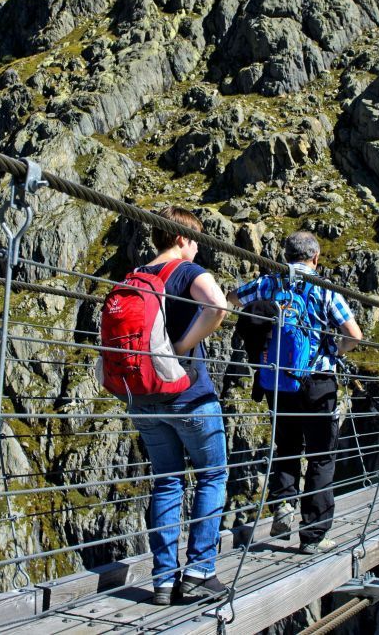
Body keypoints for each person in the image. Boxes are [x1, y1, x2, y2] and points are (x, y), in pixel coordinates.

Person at [227, 231, 362, 555]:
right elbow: (353, 334)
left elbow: (232, 298)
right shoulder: (325, 289)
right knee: (320, 456)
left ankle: (284, 507)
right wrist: (336, 352)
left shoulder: (269, 282)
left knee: (286, 445)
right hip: (318, 381)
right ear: (315, 258)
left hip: (277, 381)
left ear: (285, 255)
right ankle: (313, 535)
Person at [126, 207, 230, 605]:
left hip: (144, 399)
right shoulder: (186, 272)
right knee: (212, 476)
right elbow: (218, 307)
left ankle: (164, 581)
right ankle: (201, 571)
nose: (198, 248)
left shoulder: (134, 277)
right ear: (182, 238)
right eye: (197, 240)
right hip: (189, 395)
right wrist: (182, 348)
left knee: (167, 481)